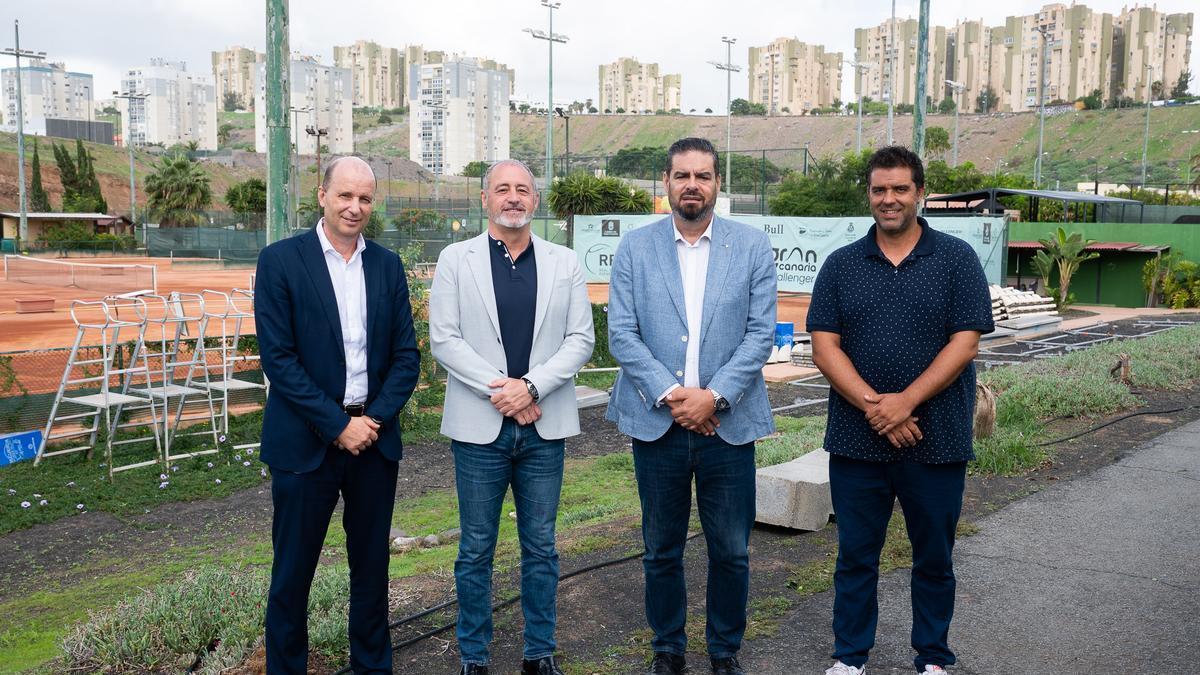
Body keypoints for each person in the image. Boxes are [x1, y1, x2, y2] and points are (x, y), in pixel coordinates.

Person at [805, 145, 995, 675]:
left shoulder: (956, 259)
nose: (889, 199)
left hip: (936, 441)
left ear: (921, 193)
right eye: (879, 190)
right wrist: (877, 409)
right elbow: (824, 347)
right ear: (869, 195)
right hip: (856, 442)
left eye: (900, 189)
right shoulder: (842, 265)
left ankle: (933, 658)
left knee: (933, 558)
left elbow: (965, 344)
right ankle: (849, 658)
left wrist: (906, 403)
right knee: (855, 558)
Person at [606, 137, 777, 675]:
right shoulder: (636, 248)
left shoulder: (751, 247)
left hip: (729, 427)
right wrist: (674, 397)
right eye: (682, 176)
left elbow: (759, 335)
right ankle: (668, 649)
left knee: (732, 551)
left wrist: (715, 397)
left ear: (717, 184)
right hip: (658, 425)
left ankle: (724, 652)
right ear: (667, 182)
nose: (692, 186)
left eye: (703, 176)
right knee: (661, 550)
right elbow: (623, 334)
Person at [255, 156, 420, 674]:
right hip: (306, 446)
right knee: (292, 577)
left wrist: (370, 422)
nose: (355, 207)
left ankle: (372, 667)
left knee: (371, 572)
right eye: (345, 196)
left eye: (365, 199)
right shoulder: (281, 260)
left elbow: (405, 357)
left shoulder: (387, 266)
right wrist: (336, 425)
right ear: (322, 195)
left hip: (372, 442)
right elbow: (279, 360)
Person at [429, 159, 595, 675]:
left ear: (535, 200)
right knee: (476, 549)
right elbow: (445, 340)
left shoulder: (564, 262)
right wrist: (503, 391)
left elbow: (580, 340)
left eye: (523, 189)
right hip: (480, 430)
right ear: (484, 199)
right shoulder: (455, 260)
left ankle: (538, 654)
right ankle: (473, 657)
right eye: (502, 188)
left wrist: (531, 387)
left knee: (541, 548)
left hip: (544, 428)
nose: (513, 197)